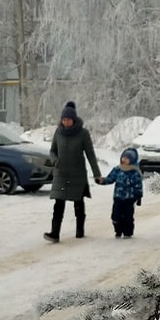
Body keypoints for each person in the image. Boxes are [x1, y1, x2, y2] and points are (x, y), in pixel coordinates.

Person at [44, 101, 102, 243]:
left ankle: (80, 229)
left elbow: (90, 155)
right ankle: (55, 233)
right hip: (61, 174)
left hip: (77, 174)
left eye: (68, 120)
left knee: (78, 203)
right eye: (63, 120)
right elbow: (52, 151)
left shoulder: (83, 134)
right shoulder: (59, 132)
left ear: (73, 120)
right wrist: (54, 159)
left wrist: (97, 174)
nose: (65, 122)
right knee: (58, 204)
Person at [99, 147, 144, 238]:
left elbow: (138, 185)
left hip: (130, 198)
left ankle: (127, 232)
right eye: (123, 158)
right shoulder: (117, 169)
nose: (124, 160)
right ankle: (118, 230)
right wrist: (102, 181)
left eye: (127, 158)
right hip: (118, 197)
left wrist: (138, 196)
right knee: (116, 215)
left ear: (132, 159)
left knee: (128, 216)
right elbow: (110, 178)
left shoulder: (135, 171)